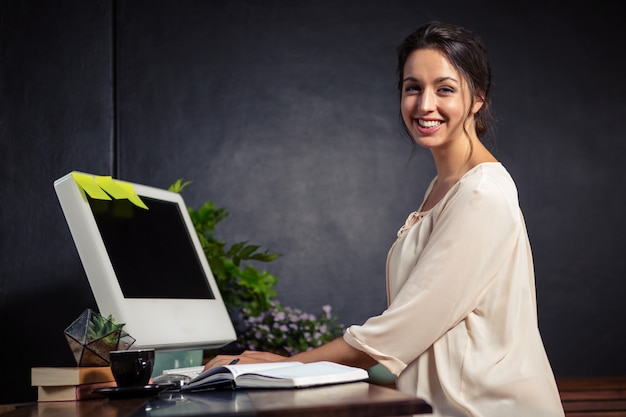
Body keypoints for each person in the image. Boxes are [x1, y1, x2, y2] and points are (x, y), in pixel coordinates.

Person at [206, 21, 565, 417]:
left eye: (444, 89)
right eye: (413, 87)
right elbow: (421, 340)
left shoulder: (481, 193)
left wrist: (286, 366)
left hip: (486, 408)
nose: (425, 104)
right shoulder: (443, 186)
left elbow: (404, 327)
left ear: (477, 98)